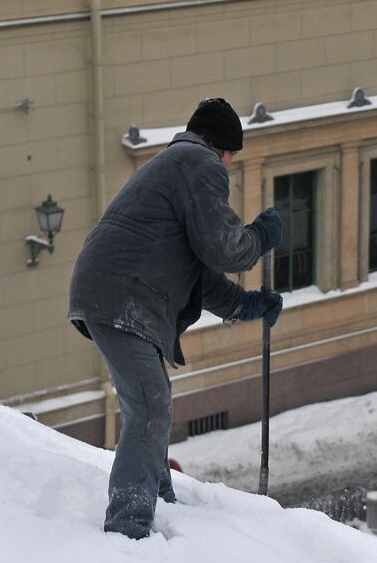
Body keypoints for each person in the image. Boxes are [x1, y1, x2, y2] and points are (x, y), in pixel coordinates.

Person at [68, 97, 285, 539]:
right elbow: (223, 249)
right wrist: (261, 235)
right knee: (150, 406)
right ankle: (128, 528)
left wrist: (249, 305)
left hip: (112, 292)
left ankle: (161, 502)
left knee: (152, 400)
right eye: (231, 153)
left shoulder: (174, 164)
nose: (229, 163)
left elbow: (200, 274)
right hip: (122, 297)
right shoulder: (199, 163)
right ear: (220, 146)